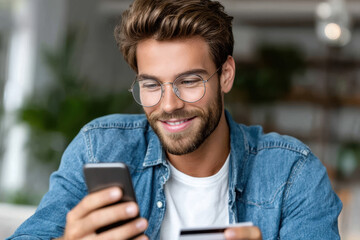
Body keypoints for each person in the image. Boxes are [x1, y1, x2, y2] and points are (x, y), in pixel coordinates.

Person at [9, 0, 342, 239]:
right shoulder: (99, 148)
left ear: (225, 75)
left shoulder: (292, 175)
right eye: (151, 84)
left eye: (190, 81)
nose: (169, 105)